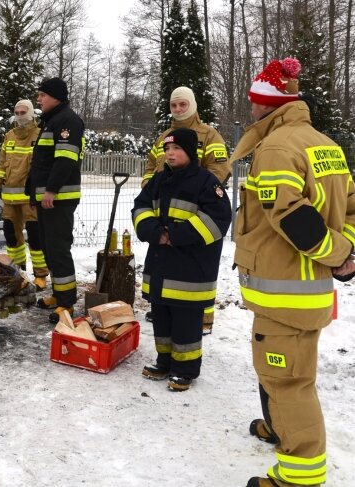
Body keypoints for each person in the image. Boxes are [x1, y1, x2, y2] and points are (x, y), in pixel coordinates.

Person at [231, 58, 355, 487]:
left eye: (253, 104)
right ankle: (280, 428)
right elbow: (352, 208)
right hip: (307, 293)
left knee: (289, 383)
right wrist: (348, 249)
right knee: (290, 374)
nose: (250, 112)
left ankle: (298, 477)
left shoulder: (278, 148)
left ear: (268, 105)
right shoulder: (326, 145)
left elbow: (289, 214)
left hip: (285, 296)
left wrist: (338, 254)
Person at [132, 128, 231, 391]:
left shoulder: (206, 183)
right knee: (162, 315)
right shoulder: (159, 179)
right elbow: (140, 207)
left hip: (191, 269)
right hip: (162, 265)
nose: (170, 154)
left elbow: (218, 220)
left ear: (190, 152)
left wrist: (174, 236)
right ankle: (165, 360)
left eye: (176, 149)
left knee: (186, 320)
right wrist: (154, 232)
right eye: (167, 149)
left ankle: (185, 369)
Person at [142, 86, 231, 335]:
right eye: (174, 105)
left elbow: (219, 171)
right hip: (164, 213)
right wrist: (151, 187)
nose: (178, 109)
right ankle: (165, 305)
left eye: (183, 104)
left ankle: (203, 316)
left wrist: (191, 191)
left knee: (197, 268)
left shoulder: (209, 135)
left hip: (195, 213)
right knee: (167, 264)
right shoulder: (164, 137)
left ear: (192, 105)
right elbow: (151, 166)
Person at [26, 78, 84, 324]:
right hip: (47, 199)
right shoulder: (52, 121)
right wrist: (33, 195)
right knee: (50, 249)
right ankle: (58, 294)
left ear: (56, 97)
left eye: (43, 96)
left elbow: (65, 160)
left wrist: (50, 191)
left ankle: (67, 303)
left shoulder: (67, 121)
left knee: (58, 249)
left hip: (59, 199)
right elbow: (40, 164)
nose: (39, 100)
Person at [0, 100, 48, 289]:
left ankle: (40, 275)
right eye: (17, 112)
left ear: (31, 113)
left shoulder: (40, 135)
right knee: (11, 235)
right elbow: (2, 164)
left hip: (30, 197)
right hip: (10, 198)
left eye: (23, 112)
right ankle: (18, 272)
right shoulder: (9, 136)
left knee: (35, 235)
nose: (20, 116)